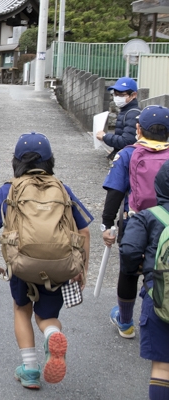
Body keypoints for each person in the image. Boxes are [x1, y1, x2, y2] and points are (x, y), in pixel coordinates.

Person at [0, 133, 92, 390]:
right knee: (46, 316)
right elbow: (84, 230)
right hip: (61, 265)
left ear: (16, 161)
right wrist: (81, 268)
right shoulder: (62, 188)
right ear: (50, 160)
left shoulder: (8, 189)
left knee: (22, 309)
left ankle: (30, 370)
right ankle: (53, 335)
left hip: (22, 264)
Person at [101, 105, 169, 339]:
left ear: (138, 129)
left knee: (129, 272)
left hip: (135, 224)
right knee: (162, 270)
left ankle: (126, 322)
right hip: (167, 227)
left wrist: (107, 226)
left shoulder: (129, 153)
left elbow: (114, 195)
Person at [120, 153, 169, 399]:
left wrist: (137, 270)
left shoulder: (148, 216)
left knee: (161, 366)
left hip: (160, 294)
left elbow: (129, 251)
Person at [96, 77, 140, 159]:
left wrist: (105, 137)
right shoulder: (125, 111)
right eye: (115, 94)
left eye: (121, 95)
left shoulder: (133, 114)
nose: (117, 97)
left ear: (133, 95)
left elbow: (127, 141)